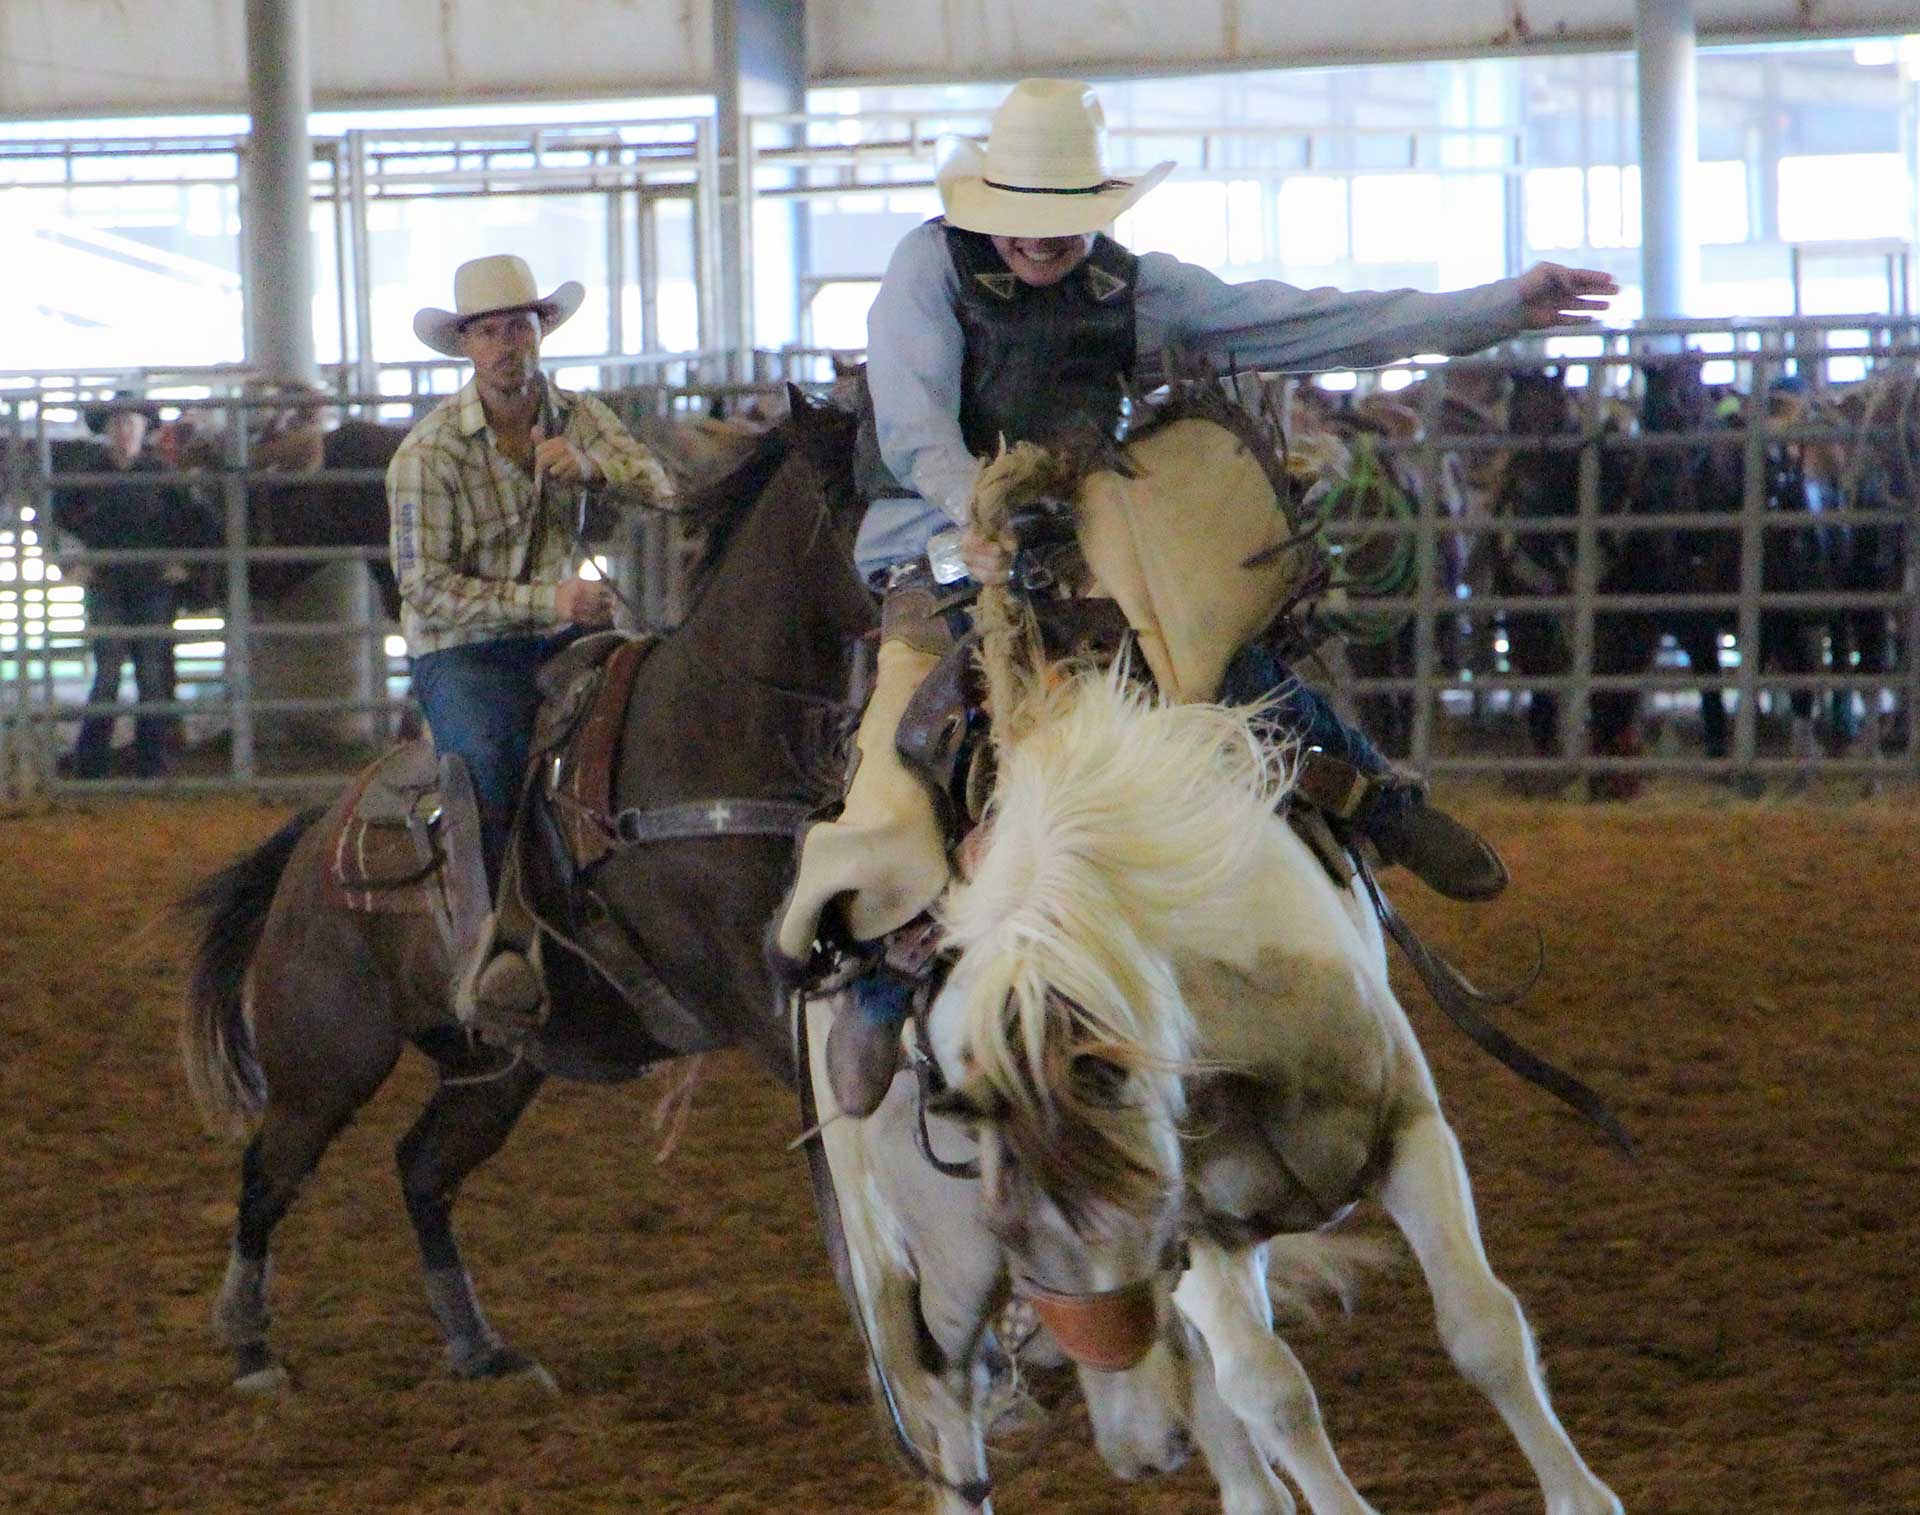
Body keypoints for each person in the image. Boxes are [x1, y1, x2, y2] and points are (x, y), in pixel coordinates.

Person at [777, 77, 1619, 1115]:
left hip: (1089, 545)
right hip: (939, 551)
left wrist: (1494, 308)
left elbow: (1309, 322)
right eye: (1029, 220)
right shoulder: (927, 268)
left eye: (1068, 220)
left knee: (1219, 661)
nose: (1046, 242)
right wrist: (974, 511)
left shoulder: (1135, 288)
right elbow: (912, 425)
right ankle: (885, 961)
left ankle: (1375, 797)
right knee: (912, 733)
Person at [388, 253, 672, 1023]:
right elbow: (424, 588)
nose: (507, 343)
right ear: (469, 347)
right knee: (487, 760)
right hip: (463, 648)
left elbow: (663, 484)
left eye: (519, 325)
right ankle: (493, 943)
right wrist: (546, 596)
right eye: (489, 331)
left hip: (563, 626)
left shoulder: (578, 417)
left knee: (652, 713)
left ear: (540, 332)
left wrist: (593, 465)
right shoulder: (431, 452)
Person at [57, 395, 201, 780]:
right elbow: (57, 522)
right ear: (107, 430)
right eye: (118, 424)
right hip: (112, 585)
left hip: (148, 586)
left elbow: (196, 522)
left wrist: (183, 561)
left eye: (131, 424)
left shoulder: (156, 475)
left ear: (143, 430)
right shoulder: (90, 476)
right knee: (113, 674)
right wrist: (72, 558)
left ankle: (131, 763)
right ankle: (115, 764)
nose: (124, 431)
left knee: (146, 675)